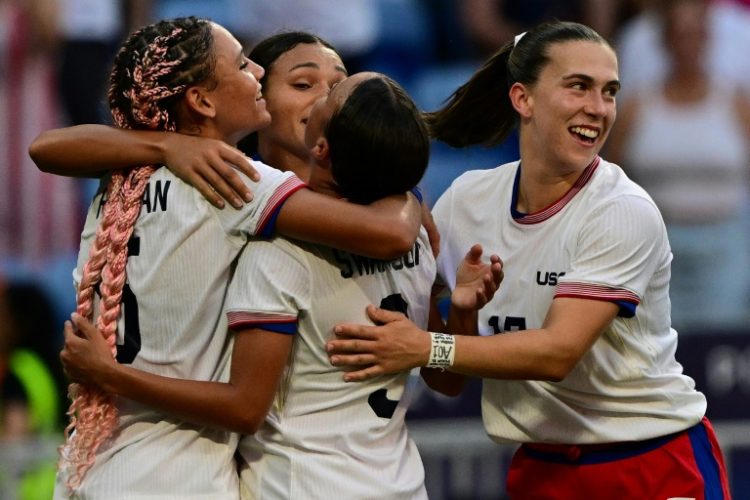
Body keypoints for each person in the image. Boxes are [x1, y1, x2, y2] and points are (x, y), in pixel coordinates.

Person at [326, 20, 732, 499]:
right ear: (523, 99)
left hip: (651, 463)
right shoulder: (465, 202)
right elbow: (446, 383)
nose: (597, 109)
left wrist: (426, 345)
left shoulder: (623, 209)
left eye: (609, 92)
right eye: (578, 87)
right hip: (541, 468)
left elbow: (557, 352)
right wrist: (460, 314)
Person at [28, 17, 423, 498]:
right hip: (179, 473)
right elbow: (389, 235)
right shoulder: (234, 180)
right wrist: (407, 192)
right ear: (202, 100)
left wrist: (163, 143)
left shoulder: (120, 176)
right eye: (240, 64)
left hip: (90, 465)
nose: (255, 70)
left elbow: (44, 147)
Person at [58, 70, 500, 498]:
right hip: (400, 484)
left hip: (297, 485)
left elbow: (244, 408)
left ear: (322, 147)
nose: (320, 93)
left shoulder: (280, 254)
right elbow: (446, 382)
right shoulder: (417, 238)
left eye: (330, 92)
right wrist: (460, 314)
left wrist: (113, 375)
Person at [606, 0, 750, 333]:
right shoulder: (637, 108)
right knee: (656, 340)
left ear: (708, 40)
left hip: (725, 242)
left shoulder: (736, 104)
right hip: (656, 243)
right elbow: (610, 179)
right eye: (680, 34)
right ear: (665, 41)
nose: (688, 43)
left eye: (695, 34)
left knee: (720, 339)